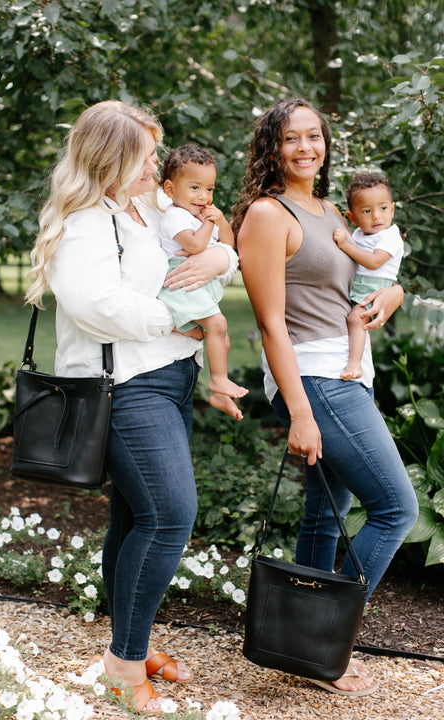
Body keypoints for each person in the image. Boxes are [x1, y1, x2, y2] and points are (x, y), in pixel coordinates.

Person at [25, 100, 238, 713]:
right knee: (170, 514)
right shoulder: (88, 219)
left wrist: (218, 257)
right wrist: (178, 322)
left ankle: (131, 646)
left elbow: (219, 246)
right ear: (115, 160)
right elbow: (95, 303)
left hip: (169, 378)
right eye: (147, 154)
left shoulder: (144, 206)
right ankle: (122, 665)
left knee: (133, 517)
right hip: (125, 387)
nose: (157, 164)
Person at [232, 98, 418, 697]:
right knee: (396, 508)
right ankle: (321, 641)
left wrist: (393, 297)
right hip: (314, 380)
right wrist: (302, 412)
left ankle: (297, 651)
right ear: (272, 147)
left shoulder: (330, 209)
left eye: (315, 136)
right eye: (292, 138)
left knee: (322, 514)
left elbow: (369, 280)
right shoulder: (267, 214)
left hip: (342, 374)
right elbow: (271, 325)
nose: (307, 147)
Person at [158, 143, 248, 420]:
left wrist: (220, 221)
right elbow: (196, 246)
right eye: (195, 188)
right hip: (181, 283)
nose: (204, 197)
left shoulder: (200, 215)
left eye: (209, 189)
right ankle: (218, 380)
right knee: (218, 326)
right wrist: (209, 223)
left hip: (198, 281)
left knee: (223, 339)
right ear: (171, 190)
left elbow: (229, 245)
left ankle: (218, 394)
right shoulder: (175, 216)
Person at [333, 172, 404, 380]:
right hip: (359, 287)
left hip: (374, 290)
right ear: (352, 217)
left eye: (383, 208)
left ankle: (355, 365)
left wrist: (345, 245)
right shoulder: (358, 234)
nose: (376, 216)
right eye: (367, 210)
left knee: (357, 319)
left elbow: (373, 262)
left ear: (392, 210)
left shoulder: (391, 236)